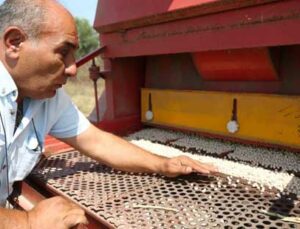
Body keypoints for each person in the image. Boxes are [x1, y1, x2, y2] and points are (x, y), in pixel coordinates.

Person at [0, 0, 217, 228]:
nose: (73, 69)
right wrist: (27, 222)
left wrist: (162, 164)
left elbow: (96, 141)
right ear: (14, 43)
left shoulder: (45, 97)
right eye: (63, 52)